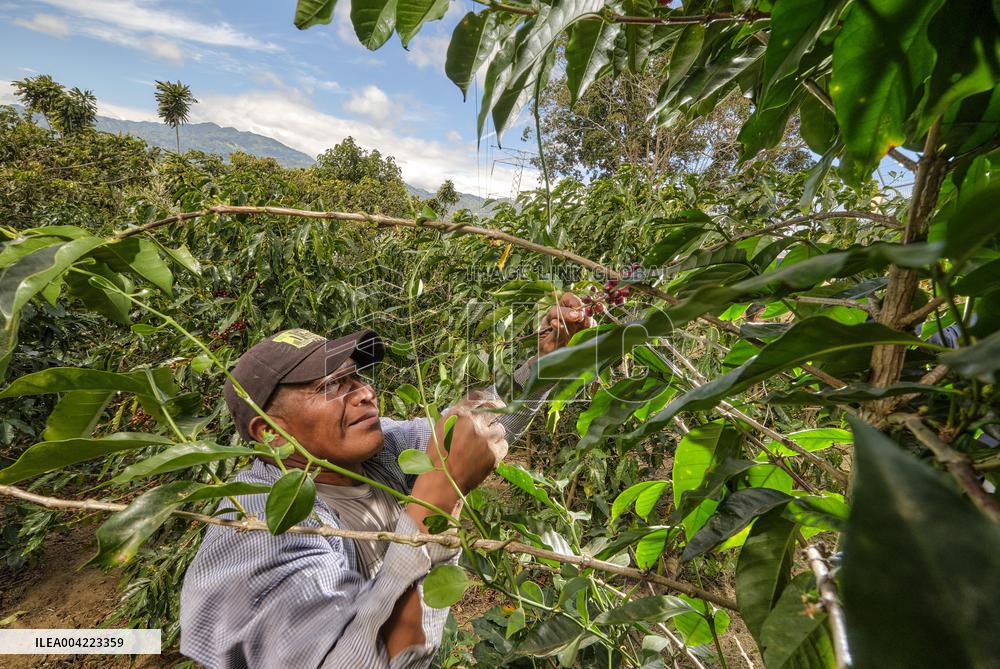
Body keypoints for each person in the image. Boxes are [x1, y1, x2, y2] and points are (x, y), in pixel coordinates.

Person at [179, 293, 592, 669]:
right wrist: (435, 503)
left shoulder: (379, 451)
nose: (364, 393)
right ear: (271, 433)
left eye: (355, 377)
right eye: (332, 385)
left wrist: (547, 359)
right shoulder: (258, 528)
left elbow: (476, 429)